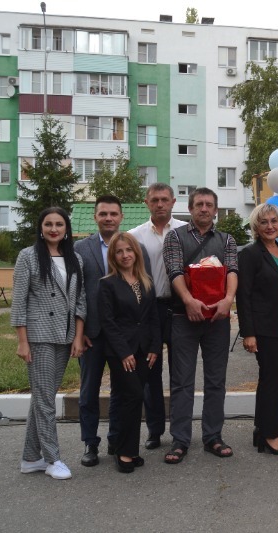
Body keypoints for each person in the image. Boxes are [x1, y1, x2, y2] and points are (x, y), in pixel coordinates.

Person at [163, 188, 238, 464]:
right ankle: (180, 440)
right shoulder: (175, 237)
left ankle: (213, 437)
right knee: (182, 382)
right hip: (184, 318)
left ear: (216, 210)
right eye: (199, 205)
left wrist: (228, 300)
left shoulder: (227, 239)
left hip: (217, 320)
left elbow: (232, 270)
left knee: (216, 381)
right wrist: (188, 301)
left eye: (209, 205)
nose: (204, 209)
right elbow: (173, 270)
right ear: (191, 208)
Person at [12, 208, 86, 480]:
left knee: (42, 398)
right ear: (40, 228)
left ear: (66, 228)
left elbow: (80, 300)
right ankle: (53, 458)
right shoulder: (28, 257)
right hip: (40, 335)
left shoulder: (75, 258)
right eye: (48, 224)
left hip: (65, 337)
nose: (54, 228)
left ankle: (30, 458)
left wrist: (78, 336)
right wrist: (22, 341)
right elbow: (19, 302)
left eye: (59, 224)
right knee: (45, 400)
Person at [74, 196, 145, 467]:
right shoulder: (81, 248)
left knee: (121, 390)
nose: (108, 218)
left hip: (123, 336)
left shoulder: (129, 246)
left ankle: (116, 440)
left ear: (121, 216)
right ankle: (90, 443)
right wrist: (79, 331)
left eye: (113, 213)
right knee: (88, 390)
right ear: (95, 216)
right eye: (103, 213)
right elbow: (76, 292)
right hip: (92, 334)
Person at [237, 203, 278, 455]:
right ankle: (269, 436)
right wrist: (248, 333)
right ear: (256, 227)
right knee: (271, 381)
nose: (270, 226)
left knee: (270, 380)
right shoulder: (251, 254)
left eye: (274, 221)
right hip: (264, 329)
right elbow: (244, 296)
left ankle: (260, 431)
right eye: (264, 222)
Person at [129, 183, 187, 451]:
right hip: (149, 311)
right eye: (155, 200)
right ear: (147, 202)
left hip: (179, 309)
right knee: (150, 372)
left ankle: (179, 430)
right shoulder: (134, 237)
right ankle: (154, 430)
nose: (160, 204)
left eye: (165, 199)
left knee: (179, 372)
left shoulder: (186, 232)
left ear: (173, 202)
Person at [98, 233, 161, 473]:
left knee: (133, 400)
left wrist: (155, 347)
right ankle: (123, 451)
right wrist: (124, 352)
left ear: (136, 252)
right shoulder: (107, 283)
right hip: (121, 353)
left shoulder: (146, 281)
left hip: (145, 350)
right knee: (132, 396)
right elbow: (108, 322)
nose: (125, 255)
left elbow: (153, 317)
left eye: (129, 250)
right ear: (113, 256)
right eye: (119, 251)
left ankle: (129, 450)